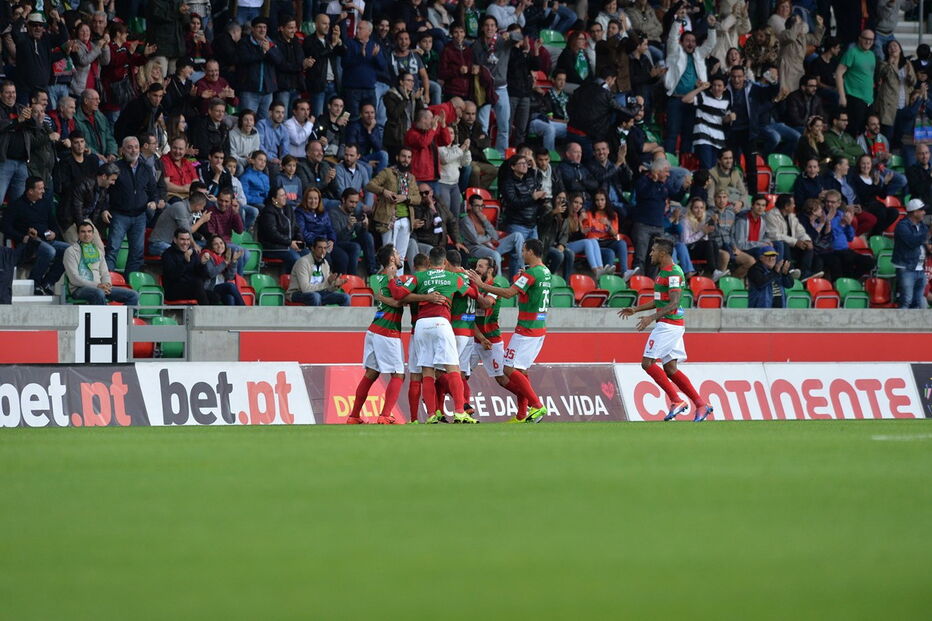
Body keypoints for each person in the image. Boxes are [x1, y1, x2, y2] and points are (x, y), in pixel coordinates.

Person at [345, 244, 445, 424]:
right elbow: (399, 301)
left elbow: (392, 297)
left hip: (374, 330)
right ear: (391, 259)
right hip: (387, 331)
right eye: (397, 254)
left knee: (371, 373)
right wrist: (427, 297)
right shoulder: (394, 279)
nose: (400, 257)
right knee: (398, 374)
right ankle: (385, 415)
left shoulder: (378, 278)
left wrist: (384, 298)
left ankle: (353, 416)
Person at [618, 237, 713, 422]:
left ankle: (677, 400)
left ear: (662, 253)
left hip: (669, 324)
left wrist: (650, 318)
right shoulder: (662, 273)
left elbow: (674, 302)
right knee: (670, 368)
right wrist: (636, 309)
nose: (651, 254)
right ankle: (701, 404)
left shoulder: (674, 273)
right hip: (669, 324)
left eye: (653, 251)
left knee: (647, 363)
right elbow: (660, 301)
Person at [466, 238, 552, 423]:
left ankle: (537, 405)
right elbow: (532, 292)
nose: (521, 254)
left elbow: (507, 293)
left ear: (529, 251)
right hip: (539, 327)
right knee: (521, 370)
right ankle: (522, 415)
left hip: (527, 329)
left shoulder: (532, 273)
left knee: (508, 368)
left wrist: (479, 285)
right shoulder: (545, 272)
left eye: (523, 250)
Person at [390, 245, 476, 423]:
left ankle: (431, 415)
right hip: (441, 322)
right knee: (453, 367)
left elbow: (398, 293)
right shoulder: (453, 277)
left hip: (421, 325)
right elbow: (473, 293)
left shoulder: (419, 276)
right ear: (445, 262)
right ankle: (459, 411)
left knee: (427, 371)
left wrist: (393, 279)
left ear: (428, 262)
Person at [1, 177, 68, 295]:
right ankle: (34, 283)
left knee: (70, 250)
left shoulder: (45, 203)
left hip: (46, 240)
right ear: (30, 191)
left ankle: (48, 282)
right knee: (49, 251)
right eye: (40, 188)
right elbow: (5, 227)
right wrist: (22, 237)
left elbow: (53, 224)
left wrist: (54, 233)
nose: (43, 191)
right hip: (27, 244)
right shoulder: (16, 205)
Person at [106, 137, 161, 273]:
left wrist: (154, 201)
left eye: (136, 147)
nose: (133, 150)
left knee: (137, 254)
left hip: (140, 215)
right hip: (119, 215)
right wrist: (104, 209)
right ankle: (108, 283)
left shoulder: (146, 168)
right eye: (129, 147)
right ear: (123, 150)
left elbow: (154, 190)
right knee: (112, 250)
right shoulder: (115, 167)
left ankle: (130, 284)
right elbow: (105, 190)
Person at [663, 18, 718, 154]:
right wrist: (677, 22)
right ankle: (668, 165)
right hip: (675, 100)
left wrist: (711, 28)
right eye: (687, 40)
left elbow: (711, 44)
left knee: (688, 135)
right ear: (681, 42)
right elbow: (672, 38)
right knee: (672, 134)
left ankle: (684, 166)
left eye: (693, 41)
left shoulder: (698, 54)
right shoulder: (674, 52)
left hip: (693, 102)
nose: (691, 43)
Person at [367, 147, 422, 272]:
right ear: (397, 157)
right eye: (403, 156)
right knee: (388, 257)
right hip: (389, 219)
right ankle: (385, 287)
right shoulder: (387, 172)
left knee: (400, 258)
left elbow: (418, 198)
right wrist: (383, 191)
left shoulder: (411, 178)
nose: (406, 160)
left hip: (406, 220)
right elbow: (370, 185)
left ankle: (398, 287)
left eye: (408, 157)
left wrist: (405, 198)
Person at [63, 221, 139, 305]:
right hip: (79, 289)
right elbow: (74, 278)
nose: (86, 235)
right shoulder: (71, 251)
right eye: (83, 232)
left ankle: (123, 318)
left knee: (133, 295)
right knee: (99, 293)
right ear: (78, 234)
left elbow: (105, 273)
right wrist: (97, 285)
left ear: (92, 234)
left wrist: (106, 284)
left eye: (89, 231)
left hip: (100, 287)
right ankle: (102, 318)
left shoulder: (98, 251)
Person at [461, 192, 525, 280]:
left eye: (482, 206)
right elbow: (475, 239)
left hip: (491, 245)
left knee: (517, 236)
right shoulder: (466, 220)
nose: (480, 209)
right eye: (477, 206)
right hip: (476, 248)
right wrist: (489, 238)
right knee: (495, 255)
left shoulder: (482, 218)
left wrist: (485, 221)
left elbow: (495, 236)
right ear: (470, 206)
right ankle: (498, 284)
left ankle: (523, 268)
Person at [58, 162, 119, 249]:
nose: (113, 183)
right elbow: (76, 209)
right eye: (112, 180)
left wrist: (95, 230)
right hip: (69, 220)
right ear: (104, 176)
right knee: (78, 250)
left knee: (99, 248)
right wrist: (83, 231)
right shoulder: (83, 184)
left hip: (84, 218)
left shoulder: (103, 189)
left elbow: (96, 212)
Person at [235, 17, 283, 120]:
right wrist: (262, 53)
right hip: (249, 90)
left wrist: (268, 51)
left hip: (267, 91)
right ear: (252, 29)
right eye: (259, 27)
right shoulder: (244, 42)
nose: (262, 30)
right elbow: (244, 59)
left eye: (264, 27)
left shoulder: (271, 43)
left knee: (264, 123)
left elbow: (279, 60)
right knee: (247, 121)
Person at [682, 77, 730, 170]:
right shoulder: (703, 96)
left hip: (719, 139)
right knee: (707, 168)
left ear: (724, 88)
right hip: (703, 136)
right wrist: (700, 88)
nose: (716, 88)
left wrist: (729, 118)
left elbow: (725, 120)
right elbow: (685, 99)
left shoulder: (727, 101)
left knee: (715, 170)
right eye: (714, 85)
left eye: (719, 86)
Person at [287, 237, 351, 306]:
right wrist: (327, 283)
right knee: (315, 296)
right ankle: (316, 317)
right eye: (320, 248)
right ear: (313, 249)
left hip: (319, 293)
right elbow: (305, 289)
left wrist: (334, 285)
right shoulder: (303, 262)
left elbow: (326, 288)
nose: (323, 251)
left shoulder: (325, 263)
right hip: (297, 293)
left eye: (325, 248)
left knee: (345, 297)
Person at [836, 30, 877, 136]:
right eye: (866, 39)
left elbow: (869, 74)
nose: (868, 42)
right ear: (860, 38)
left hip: (869, 99)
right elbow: (839, 73)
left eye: (871, 40)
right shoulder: (852, 52)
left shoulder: (872, 55)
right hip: (854, 97)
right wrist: (842, 96)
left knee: (868, 132)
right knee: (853, 131)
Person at [892, 198, 931, 309]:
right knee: (906, 300)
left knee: (918, 301)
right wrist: (929, 233)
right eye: (922, 210)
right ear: (914, 212)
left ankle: (915, 326)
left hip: (919, 268)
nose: (924, 212)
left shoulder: (922, 225)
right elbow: (912, 242)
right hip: (906, 267)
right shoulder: (902, 226)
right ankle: (900, 326)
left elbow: (925, 241)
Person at [329, 188, 377, 275]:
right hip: (338, 244)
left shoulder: (354, 211)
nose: (354, 205)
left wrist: (364, 226)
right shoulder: (334, 213)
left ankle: (372, 271)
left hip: (349, 241)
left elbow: (360, 232)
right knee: (355, 246)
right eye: (351, 202)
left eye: (356, 202)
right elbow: (336, 238)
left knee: (368, 236)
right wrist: (348, 227)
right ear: (343, 200)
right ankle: (352, 276)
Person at [764, 194, 813, 279]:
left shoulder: (791, 216)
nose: (794, 206)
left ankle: (804, 274)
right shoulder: (770, 215)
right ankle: (791, 272)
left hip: (792, 245)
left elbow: (800, 231)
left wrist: (806, 240)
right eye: (793, 204)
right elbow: (775, 235)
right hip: (776, 246)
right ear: (786, 206)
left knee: (809, 247)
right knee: (784, 245)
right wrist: (795, 242)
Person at [149, 191, 211, 255]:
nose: (202, 209)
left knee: (201, 246)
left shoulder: (189, 212)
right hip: (158, 244)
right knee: (183, 254)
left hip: (172, 244)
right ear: (197, 205)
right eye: (202, 206)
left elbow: (188, 233)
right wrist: (202, 220)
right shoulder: (180, 208)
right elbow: (188, 230)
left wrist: (194, 245)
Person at [161, 228, 209, 305]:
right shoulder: (167, 254)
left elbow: (203, 276)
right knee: (197, 284)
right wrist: (185, 261)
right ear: (175, 240)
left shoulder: (193, 253)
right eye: (182, 239)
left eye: (188, 240)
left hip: (193, 288)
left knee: (215, 296)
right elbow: (172, 275)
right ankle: (206, 315)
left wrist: (202, 264)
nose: (185, 243)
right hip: (173, 290)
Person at [200, 234, 245, 305]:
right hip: (210, 288)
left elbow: (230, 277)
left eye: (221, 243)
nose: (220, 246)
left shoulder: (224, 257)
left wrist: (233, 262)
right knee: (230, 286)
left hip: (221, 288)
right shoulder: (207, 255)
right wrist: (225, 263)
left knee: (230, 297)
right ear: (211, 247)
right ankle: (245, 308)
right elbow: (211, 273)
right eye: (216, 244)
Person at [345, 103, 388, 174]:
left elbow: (379, 147)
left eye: (372, 113)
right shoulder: (354, 127)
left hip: (366, 157)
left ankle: (378, 181)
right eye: (366, 113)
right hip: (354, 158)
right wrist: (367, 161)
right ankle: (369, 185)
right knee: (368, 167)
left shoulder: (374, 126)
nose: (370, 116)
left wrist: (370, 131)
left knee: (384, 155)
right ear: (361, 114)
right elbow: (351, 151)